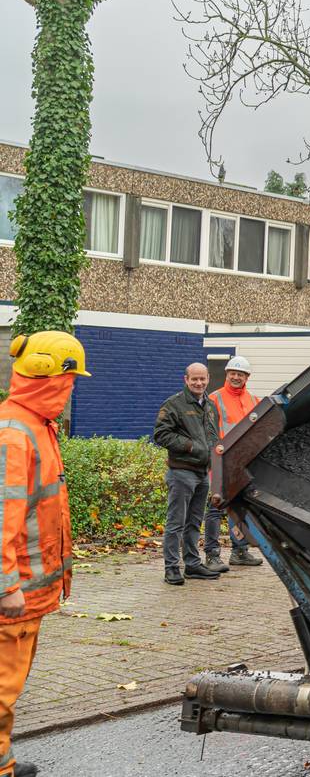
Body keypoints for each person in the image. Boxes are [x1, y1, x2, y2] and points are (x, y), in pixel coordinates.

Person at [1, 331, 91, 777]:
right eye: (70, 381)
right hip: (13, 597)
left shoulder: (35, 425)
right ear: (49, 379)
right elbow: (2, 517)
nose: (72, 390)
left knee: (8, 688)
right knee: (0, 688)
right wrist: (5, 587)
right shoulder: (15, 433)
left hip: (28, 594)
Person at [153, 363, 221, 585]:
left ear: (208, 378)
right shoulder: (174, 404)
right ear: (186, 379)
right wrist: (191, 446)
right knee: (176, 523)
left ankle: (192, 565)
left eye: (202, 379)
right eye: (194, 379)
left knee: (194, 522)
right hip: (182, 473)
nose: (199, 383)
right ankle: (171, 568)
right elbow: (161, 435)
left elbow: (213, 436)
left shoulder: (210, 406)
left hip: (202, 474)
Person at [203, 357, 263, 571]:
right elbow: (207, 432)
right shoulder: (214, 399)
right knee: (216, 507)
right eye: (232, 373)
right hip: (220, 462)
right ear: (227, 374)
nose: (236, 377)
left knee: (239, 507)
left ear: (247, 377)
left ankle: (239, 551)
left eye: (241, 374)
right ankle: (212, 554)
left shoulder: (255, 401)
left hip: (243, 463)